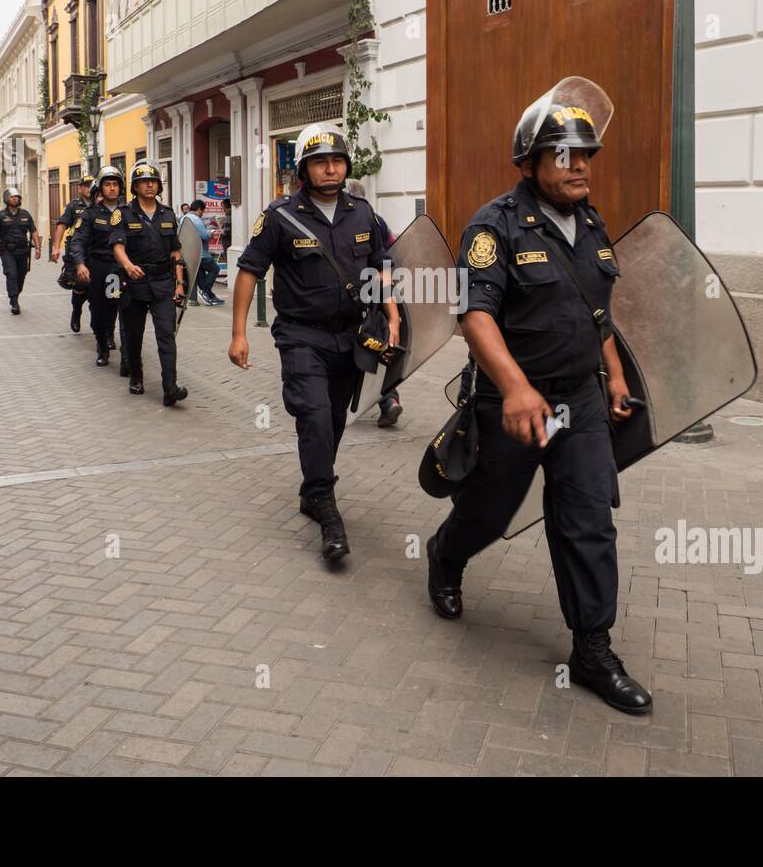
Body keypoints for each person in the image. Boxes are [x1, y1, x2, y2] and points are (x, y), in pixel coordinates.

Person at [423, 78, 649, 717]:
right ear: (529, 162)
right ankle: (446, 554)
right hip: (512, 406)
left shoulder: (592, 224)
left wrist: (615, 373)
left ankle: (592, 649)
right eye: (563, 155)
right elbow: (474, 315)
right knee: (489, 515)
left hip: (579, 401)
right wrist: (517, 389)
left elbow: (596, 311)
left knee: (588, 519)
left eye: (586, 154)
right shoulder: (492, 227)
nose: (579, 166)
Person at [229, 125, 399, 562]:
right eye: (321, 162)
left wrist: (394, 316)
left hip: (351, 336)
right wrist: (239, 333)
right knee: (315, 415)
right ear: (303, 168)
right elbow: (250, 271)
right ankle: (327, 508)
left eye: (337, 161)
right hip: (301, 335)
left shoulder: (362, 213)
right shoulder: (280, 215)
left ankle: (312, 489)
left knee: (336, 418)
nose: (330, 168)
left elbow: (381, 268)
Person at [110, 163, 188, 405]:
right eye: (144, 182)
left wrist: (179, 284)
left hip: (163, 283)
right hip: (135, 283)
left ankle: (170, 387)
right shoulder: (123, 213)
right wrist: (127, 266)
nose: (150, 185)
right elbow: (117, 246)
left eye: (153, 181)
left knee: (167, 335)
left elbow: (176, 252)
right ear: (135, 186)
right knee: (134, 335)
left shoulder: (167, 214)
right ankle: (136, 375)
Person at [345, 178, 401, 428]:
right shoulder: (378, 219)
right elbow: (393, 249)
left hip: (361, 296)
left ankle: (376, 400)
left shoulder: (356, 219)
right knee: (382, 348)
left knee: (363, 345)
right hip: (382, 293)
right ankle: (389, 400)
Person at [67, 167, 129, 366]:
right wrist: (80, 264)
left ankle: (121, 347)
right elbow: (77, 241)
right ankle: (102, 345)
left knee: (120, 307)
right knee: (99, 309)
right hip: (99, 267)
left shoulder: (128, 212)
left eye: (115, 184)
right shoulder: (90, 214)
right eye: (107, 184)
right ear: (101, 188)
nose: (112, 188)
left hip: (120, 268)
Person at [0, 188, 41, 314]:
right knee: (11, 274)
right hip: (7, 251)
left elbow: (33, 231)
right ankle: (14, 302)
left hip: (23, 251)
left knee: (21, 276)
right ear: (7, 199)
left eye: (17, 197)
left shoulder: (26, 215)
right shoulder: (0, 216)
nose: (16, 199)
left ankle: (15, 295)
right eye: (13, 197)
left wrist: (38, 247)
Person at [53, 174, 95, 334]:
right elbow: (61, 226)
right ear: (80, 188)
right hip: (77, 252)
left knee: (97, 292)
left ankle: (102, 329)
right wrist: (56, 247)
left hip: (96, 253)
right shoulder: (73, 207)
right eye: (86, 185)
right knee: (81, 285)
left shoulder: (101, 205)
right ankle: (76, 312)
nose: (89, 188)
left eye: (92, 185)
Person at [182, 198, 222, 306]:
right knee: (215, 269)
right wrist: (211, 233)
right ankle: (205, 291)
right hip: (201, 253)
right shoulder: (196, 219)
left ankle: (209, 296)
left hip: (188, 253)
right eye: (202, 211)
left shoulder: (183, 218)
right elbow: (204, 236)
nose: (202, 214)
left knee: (201, 276)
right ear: (199, 209)